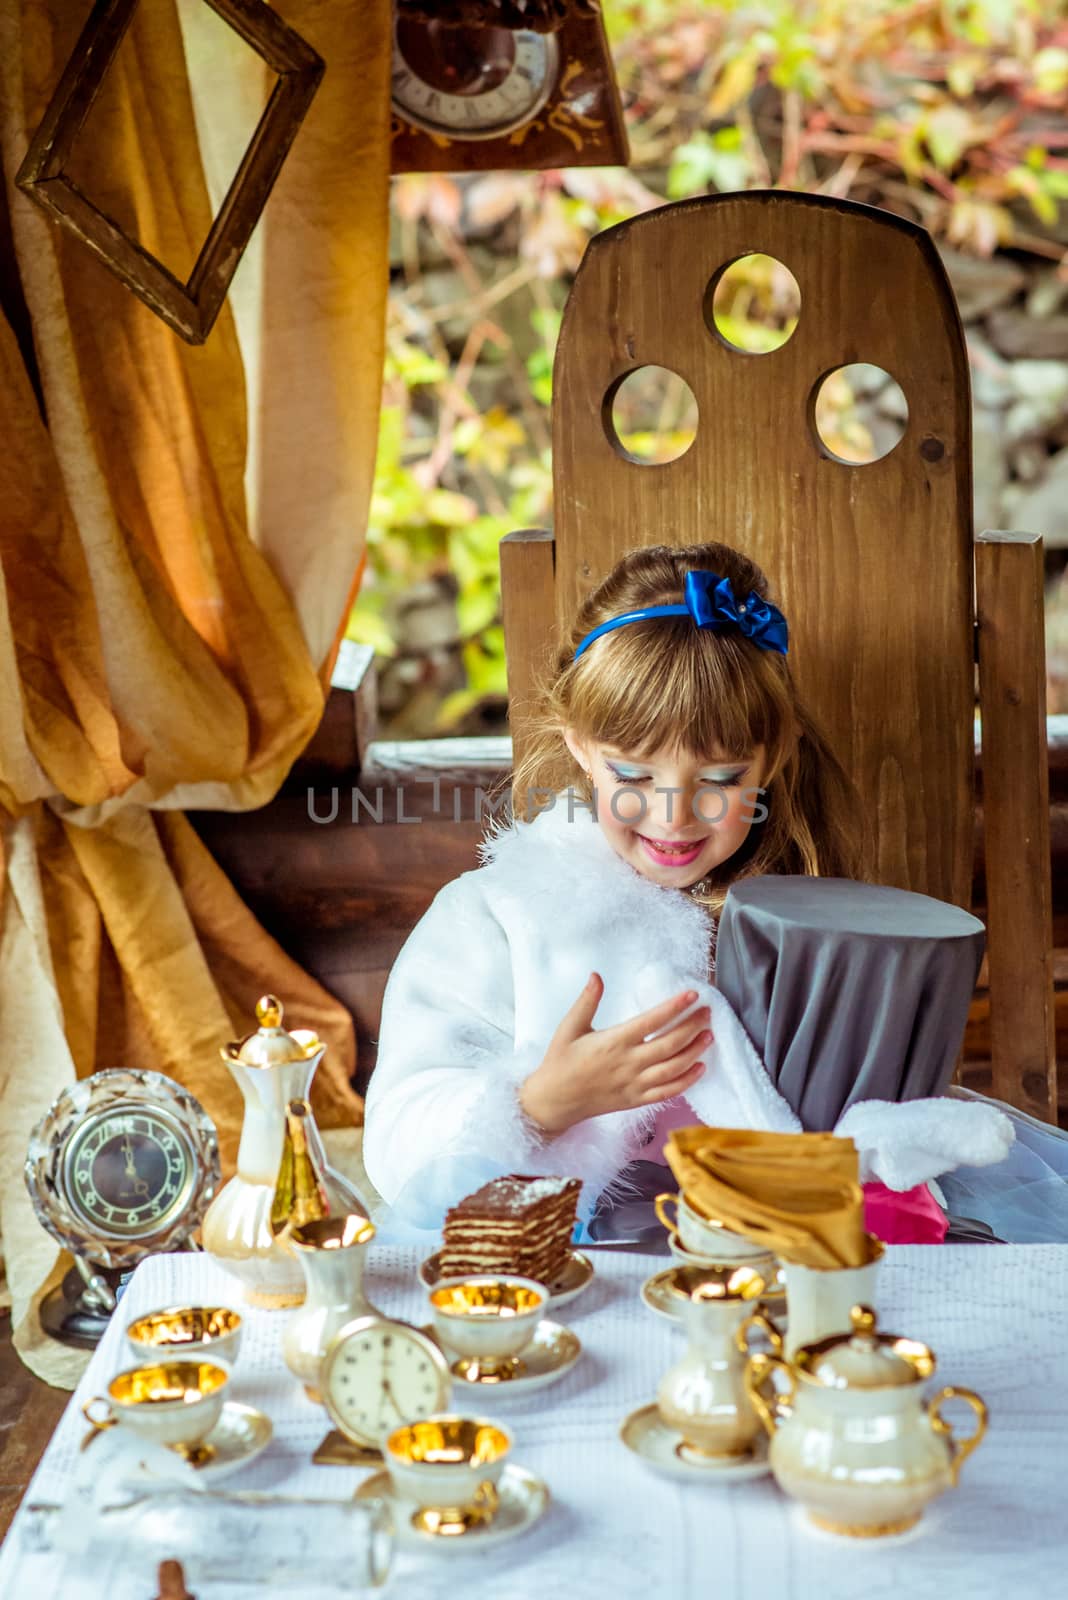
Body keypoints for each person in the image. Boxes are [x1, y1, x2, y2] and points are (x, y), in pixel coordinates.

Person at [363, 542, 1017, 1245]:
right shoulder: (497, 917)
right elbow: (396, 1139)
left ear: (775, 756)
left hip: (774, 1254)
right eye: (635, 777)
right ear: (580, 745)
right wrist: (540, 1103)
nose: (674, 816)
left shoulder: (809, 922)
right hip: (570, 1262)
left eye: (720, 780)